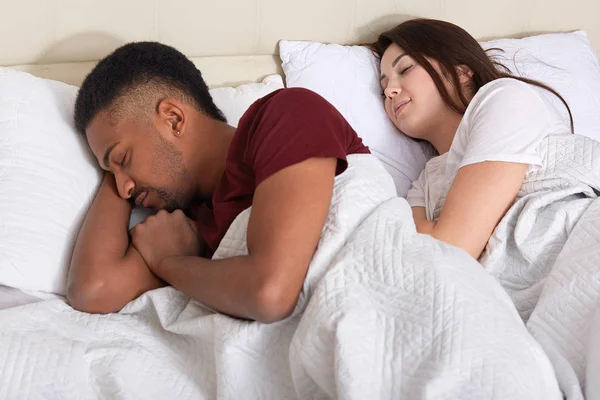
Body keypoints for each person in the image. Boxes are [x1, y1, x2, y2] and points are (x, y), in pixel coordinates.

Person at [68, 41, 370, 322]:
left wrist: (169, 262)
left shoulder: (288, 115)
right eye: (110, 173)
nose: (124, 189)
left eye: (123, 159)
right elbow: (93, 290)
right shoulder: (189, 224)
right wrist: (112, 166)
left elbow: (269, 294)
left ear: (173, 119)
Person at [375, 18, 573, 260]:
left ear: (461, 72)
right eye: (383, 87)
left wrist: (438, 232)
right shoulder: (423, 184)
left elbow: (453, 247)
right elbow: (424, 255)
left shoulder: (505, 98)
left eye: (405, 69)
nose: (389, 91)